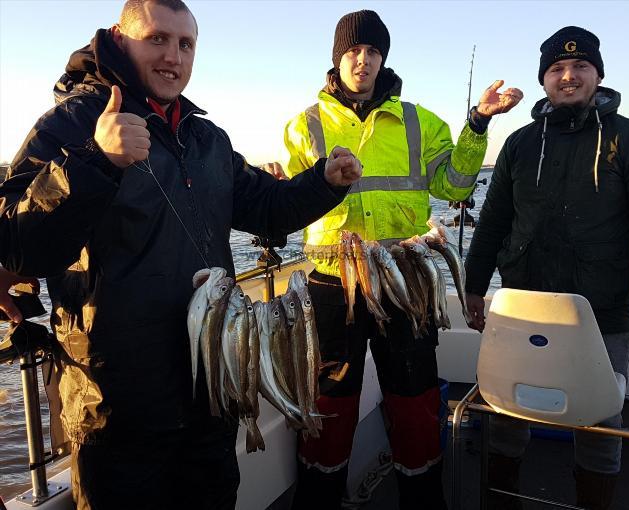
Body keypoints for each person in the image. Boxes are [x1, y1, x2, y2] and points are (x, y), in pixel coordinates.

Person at [0, 1, 362, 509]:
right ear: (119, 39)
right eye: (157, 39)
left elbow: (265, 206)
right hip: (117, 406)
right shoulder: (72, 123)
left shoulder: (205, 137)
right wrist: (95, 162)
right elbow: (15, 242)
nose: (173, 56)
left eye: (185, 44)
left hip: (211, 391)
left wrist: (323, 184)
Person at [263, 10, 522, 510]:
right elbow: (292, 206)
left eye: (373, 51)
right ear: (337, 59)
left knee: (415, 396)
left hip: (407, 276)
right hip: (332, 281)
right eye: (353, 51)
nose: (363, 60)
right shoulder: (304, 126)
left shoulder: (420, 121)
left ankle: (422, 498)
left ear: (383, 59)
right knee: (329, 402)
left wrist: (477, 122)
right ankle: (319, 498)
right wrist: (276, 185)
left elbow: (456, 185)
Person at [464, 26, 629, 510]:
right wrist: (474, 287)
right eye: (557, 69)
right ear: (544, 81)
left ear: (598, 74)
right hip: (523, 310)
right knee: (507, 416)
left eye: (580, 67)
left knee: (599, 425)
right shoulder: (518, 144)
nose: (569, 76)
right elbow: (492, 222)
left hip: (603, 314)